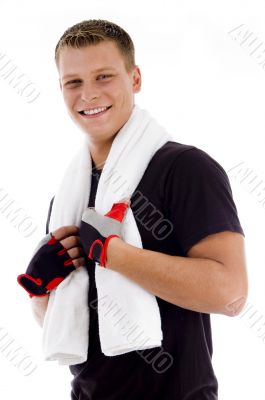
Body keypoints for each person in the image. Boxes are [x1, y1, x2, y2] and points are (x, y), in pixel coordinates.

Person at [29, 19, 248, 399]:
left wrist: (113, 254)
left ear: (135, 79)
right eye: (74, 82)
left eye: (103, 77)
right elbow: (70, 327)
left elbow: (231, 294)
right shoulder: (69, 197)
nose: (89, 95)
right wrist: (39, 291)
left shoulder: (186, 169)